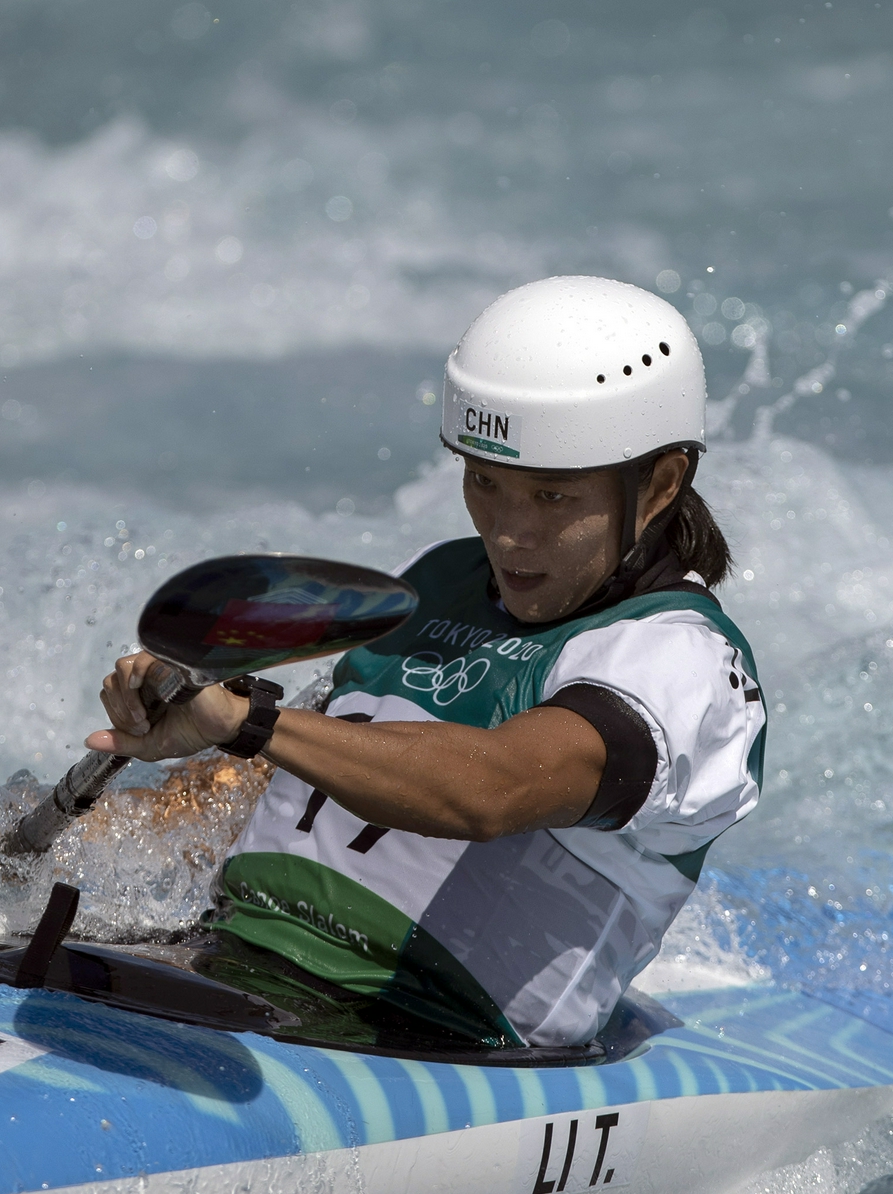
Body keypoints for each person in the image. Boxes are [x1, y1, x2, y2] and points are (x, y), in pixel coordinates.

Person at [86, 276, 766, 1047]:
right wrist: (161, 766)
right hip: (229, 964)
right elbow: (286, 779)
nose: (507, 534)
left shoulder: (682, 663)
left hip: (435, 1039)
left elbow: (491, 788)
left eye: (550, 497)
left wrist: (252, 723)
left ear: (663, 482)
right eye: (484, 480)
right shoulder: (439, 577)